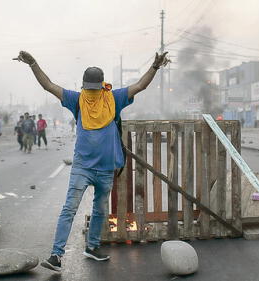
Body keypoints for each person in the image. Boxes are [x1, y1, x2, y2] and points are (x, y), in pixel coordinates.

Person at [15, 50, 169, 272]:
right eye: (89, 89)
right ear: (83, 86)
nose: (92, 92)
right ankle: (56, 255)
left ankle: (93, 246)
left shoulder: (114, 97)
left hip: (106, 169)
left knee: (100, 209)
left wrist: (155, 66)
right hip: (83, 167)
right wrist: (33, 64)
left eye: (94, 89)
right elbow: (48, 85)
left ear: (102, 85)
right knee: (70, 208)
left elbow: (140, 85)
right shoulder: (76, 99)